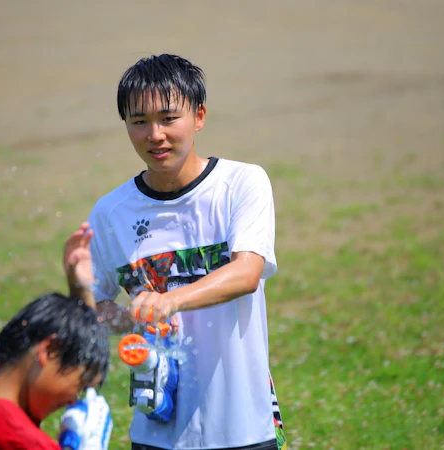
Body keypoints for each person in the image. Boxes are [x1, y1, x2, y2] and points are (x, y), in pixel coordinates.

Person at [78, 54, 287, 450]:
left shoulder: (242, 183)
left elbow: (247, 273)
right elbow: (95, 306)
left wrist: (168, 301)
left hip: (243, 426)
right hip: (156, 430)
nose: (154, 135)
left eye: (169, 118)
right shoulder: (110, 212)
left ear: (199, 116)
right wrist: (126, 315)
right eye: (139, 122)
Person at [0, 226, 111, 449]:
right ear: (48, 351)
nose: (72, 401)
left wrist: (81, 290)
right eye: (79, 385)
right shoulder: (24, 442)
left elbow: (80, 345)